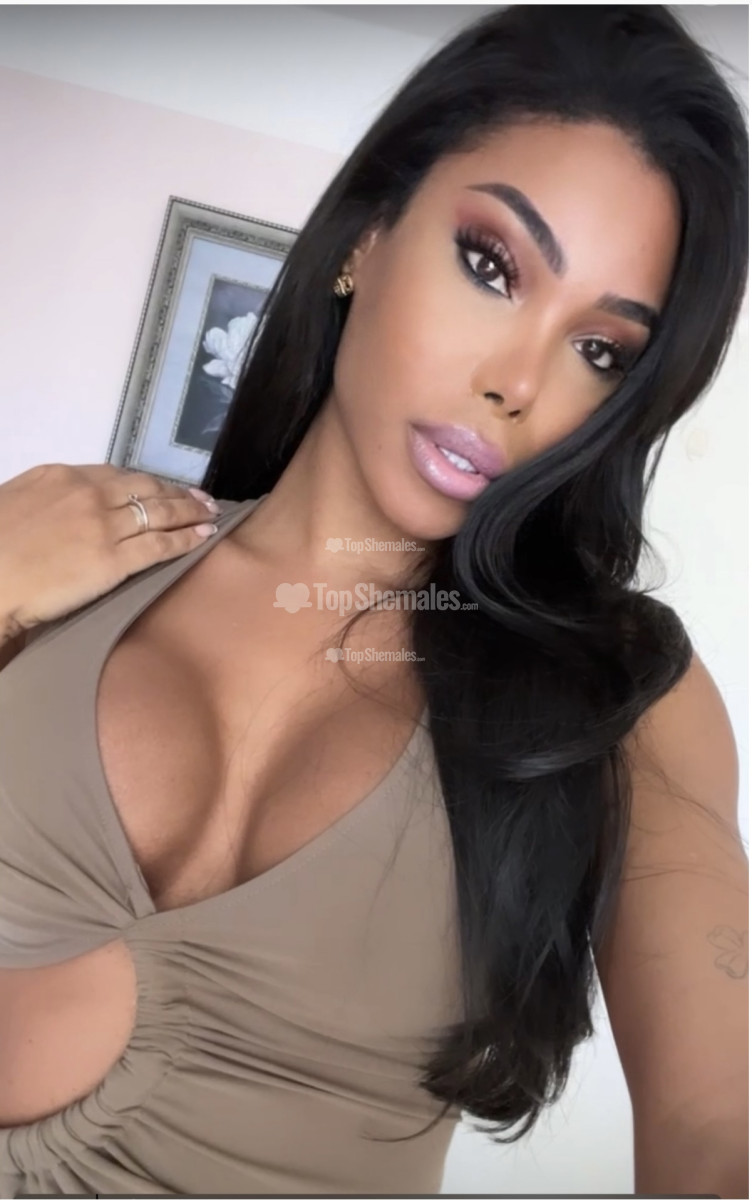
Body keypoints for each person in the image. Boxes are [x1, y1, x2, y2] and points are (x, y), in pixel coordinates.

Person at [0, 5, 748, 1196]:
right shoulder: (63, 557)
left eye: (599, 350)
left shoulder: (619, 700)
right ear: (366, 233)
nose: (516, 382)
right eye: (491, 266)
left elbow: (715, 1134)